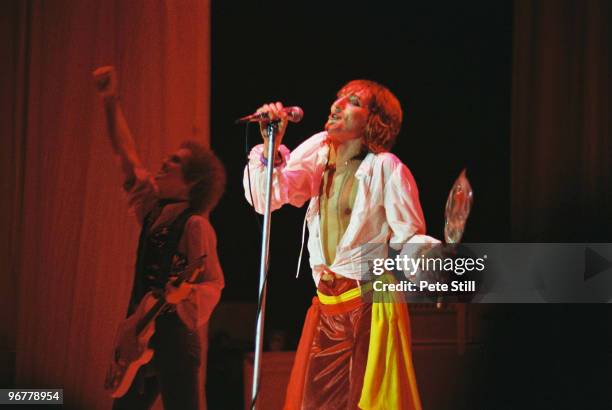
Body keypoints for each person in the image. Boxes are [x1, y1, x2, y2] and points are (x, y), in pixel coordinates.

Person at [244, 80, 436, 409]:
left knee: (367, 403)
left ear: (374, 120)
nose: (337, 105)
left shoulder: (385, 168)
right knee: (315, 403)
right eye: (338, 98)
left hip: (368, 307)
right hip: (328, 310)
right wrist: (270, 145)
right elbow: (269, 197)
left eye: (352, 102)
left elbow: (409, 239)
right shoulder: (320, 154)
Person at [93, 66, 225, 410]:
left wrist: (186, 291)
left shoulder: (195, 226)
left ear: (192, 182)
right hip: (139, 329)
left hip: (175, 337)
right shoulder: (152, 209)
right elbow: (126, 154)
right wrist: (110, 100)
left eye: (176, 162)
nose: (164, 161)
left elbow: (212, 282)